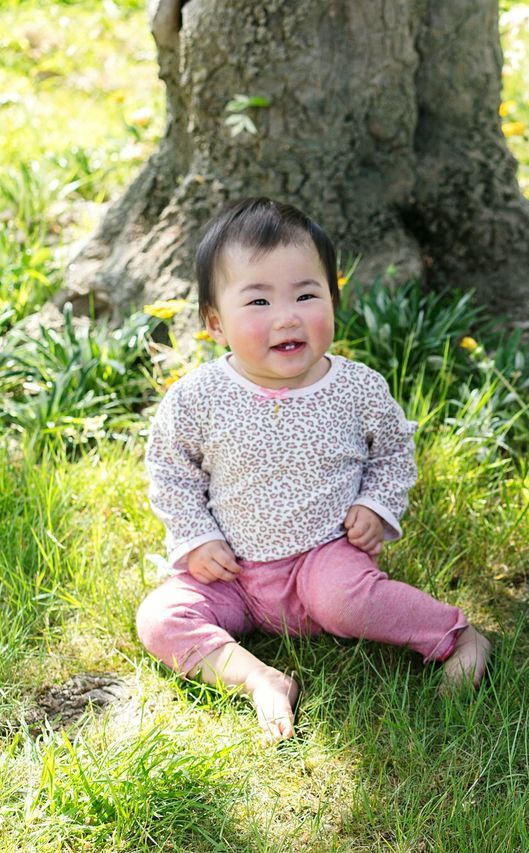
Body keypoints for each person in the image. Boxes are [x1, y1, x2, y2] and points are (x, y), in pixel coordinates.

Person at [136, 197, 490, 744]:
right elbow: (172, 472)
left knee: (346, 599)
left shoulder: (356, 388)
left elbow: (394, 453)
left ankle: (456, 636)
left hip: (322, 561)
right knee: (161, 617)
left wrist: (376, 505)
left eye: (306, 294)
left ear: (333, 298)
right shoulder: (197, 399)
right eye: (257, 301)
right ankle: (258, 678)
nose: (287, 316)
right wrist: (196, 539)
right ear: (215, 322)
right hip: (230, 570)